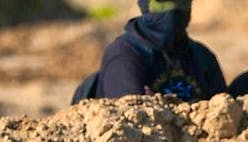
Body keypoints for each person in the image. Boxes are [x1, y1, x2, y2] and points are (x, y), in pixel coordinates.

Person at [95, 0, 227, 102]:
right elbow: (136, 124)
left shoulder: (202, 56)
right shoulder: (124, 56)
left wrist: (163, 105)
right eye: (162, 3)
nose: (173, 8)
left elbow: (221, 116)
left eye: (181, 1)